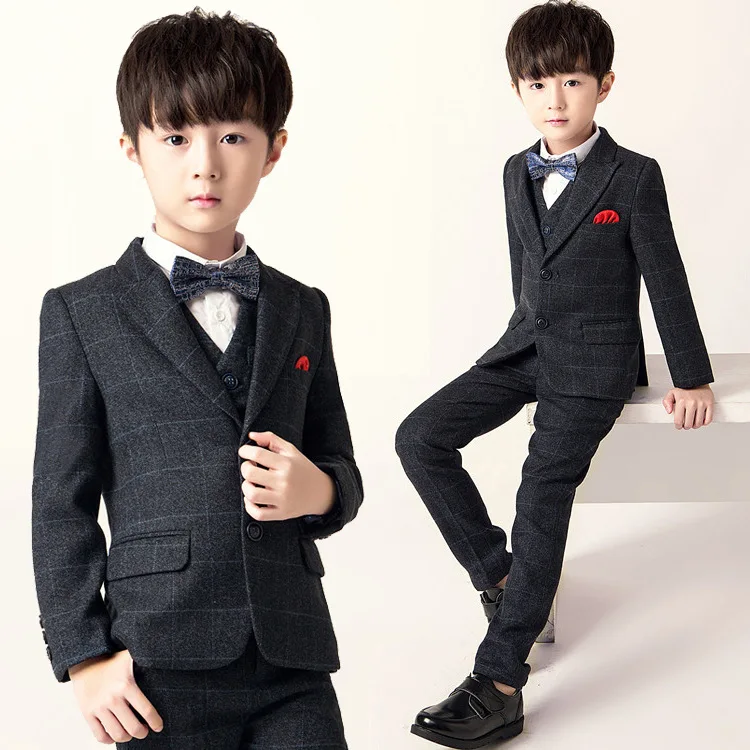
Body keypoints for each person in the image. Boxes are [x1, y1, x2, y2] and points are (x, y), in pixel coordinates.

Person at [31, 8, 363, 748]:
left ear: (274, 150)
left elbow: (338, 462)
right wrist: (84, 655)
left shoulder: (303, 307)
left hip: (293, 655)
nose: (205, 164)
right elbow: (60, 501)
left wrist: (321, 491)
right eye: (176, 137)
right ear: (132, 147)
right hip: (154, 660)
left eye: (233, 137)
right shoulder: (82, 312)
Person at [395, 1, 714, 746]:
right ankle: (501, 576)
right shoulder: (516, 170)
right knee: (419, 438)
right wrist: (517, 341)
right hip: (525, 349)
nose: (555, 99)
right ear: (518, 89)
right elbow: (527, 271)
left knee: (540, 490)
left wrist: (691, 375)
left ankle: (500, 682)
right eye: (538, 84)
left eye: (571, 81)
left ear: (605, 85)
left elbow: (666, 278)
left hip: (595, 364)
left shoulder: (633, 177)